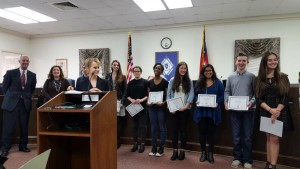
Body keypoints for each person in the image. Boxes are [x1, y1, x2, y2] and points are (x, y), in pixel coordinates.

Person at [256, 52, 293, 169]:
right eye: (270, 60)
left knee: (275, 139)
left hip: (279, 111)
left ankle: (273, 165)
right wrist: (270, 110)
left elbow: (285, 96)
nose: (273, 62)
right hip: (265, 110)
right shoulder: (259, 78)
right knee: (268, 137)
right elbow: (258, 98)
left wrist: (276, 111)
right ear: (265, 62)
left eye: (275, 60)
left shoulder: (283, 77)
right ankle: (268, 162)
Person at [224, 53, 256, 169]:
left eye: (244, 61)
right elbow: (227, 91)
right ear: (235, 62)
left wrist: (252, 102)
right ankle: (237, 158)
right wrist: (226, 102)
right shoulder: (231, 77)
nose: (241, 63)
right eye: (239, 60)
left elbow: (256, 94)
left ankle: (247, 160)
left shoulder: (252, 76)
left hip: (249, 110)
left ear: (247, 62)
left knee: (247, 136)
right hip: (234, 111)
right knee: (236, 136)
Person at [1, 55, 37, 156]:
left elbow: (32, 89)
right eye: (23, 60)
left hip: (25, 104)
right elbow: (4, 87)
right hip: (10, 104)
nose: (25, 62)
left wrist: (25, 96)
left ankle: (23, 146)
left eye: (27, 61)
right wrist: (12, 97)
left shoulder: (32, 75)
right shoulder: (10, 73)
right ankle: (5, 148)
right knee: (8, 127)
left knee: (24, 126)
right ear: (19, 61)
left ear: (29, 62)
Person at [193, 64, 224, 164]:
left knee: (212, 134)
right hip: (201, 111)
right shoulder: (199, 82)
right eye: (206, 71)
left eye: (210, 70)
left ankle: (210, 153)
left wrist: (217, 102)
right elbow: (194, 94)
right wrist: (197, 100)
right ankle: (203, 152)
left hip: (213, 111)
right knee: (202, 133)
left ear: (212, 71)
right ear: (203, 72)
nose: (208, 72)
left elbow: (222, 95)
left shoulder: (218, 82)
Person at [167, 61, 194, 161]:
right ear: (178, 69)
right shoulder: (172, 80)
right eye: (181, 68)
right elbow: (168, 95)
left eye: (185, 68)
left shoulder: (189, 81)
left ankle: (182, 151)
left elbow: (191, 95)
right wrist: (170, 107)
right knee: (174, 131)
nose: (183, 70)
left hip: (184, 109)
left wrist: (186, 106)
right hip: (174, 110)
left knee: (183, 131)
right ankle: (174, 151)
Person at [147, 63, 169, 157]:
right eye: (156, 68)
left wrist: (163, 103)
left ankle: (161, 148)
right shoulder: (149, 82)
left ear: (162, 71)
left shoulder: (165, 82)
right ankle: (154, 147)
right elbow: (148, 95)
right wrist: (148, 102)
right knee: (153, 128)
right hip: (151, 108)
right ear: (153, 69)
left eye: (159, 69)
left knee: (162, 128)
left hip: (161, 108)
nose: (157, 70)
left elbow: (167, 96)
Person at [126, 66, 148, 153]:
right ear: (133, 72)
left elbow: (148, 95)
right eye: (134, 71)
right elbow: (127, 94)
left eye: (138, 71)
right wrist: (131, 100)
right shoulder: (130, 83)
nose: (136, 72)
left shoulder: (145, 82)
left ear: (141, 72)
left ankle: (142, 144)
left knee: (143, 126)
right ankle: (135, 143)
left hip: (142, 106)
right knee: (134, 126)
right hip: (133, 106)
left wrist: (141, 100)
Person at [105, 60, 127, 149]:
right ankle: (111, 139)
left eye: (117, 65)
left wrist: (122, 101)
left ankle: (118, 140)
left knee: (119, 122)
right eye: (114, 65)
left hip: (119, 101)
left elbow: (125, 90)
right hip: (110, 101)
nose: (116, 66)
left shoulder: (123, 76)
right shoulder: (107, 76)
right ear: (112, 66)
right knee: (111, 121)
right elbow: (105, 88)